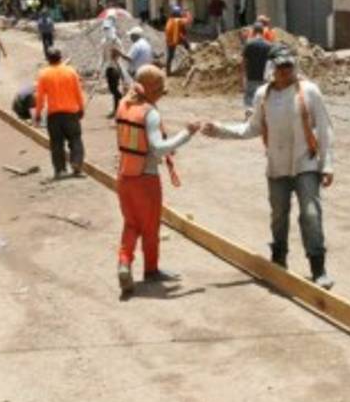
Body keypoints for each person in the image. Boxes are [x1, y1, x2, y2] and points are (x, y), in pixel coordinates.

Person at [202, 45, 335, 289]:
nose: (285, 72)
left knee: (311, 215)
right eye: (280, 68)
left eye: (288, 67)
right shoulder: (263, 95)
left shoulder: (310, 92)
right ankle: (278, 261)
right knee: (278, 216)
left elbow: (325, 130)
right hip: (277, 166)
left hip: (305, 162)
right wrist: (219, 129)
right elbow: (251, 128)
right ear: (271, 69)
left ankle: (318, 268)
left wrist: (327, 165)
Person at [114, 64, 200, 297]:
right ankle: (151, 270)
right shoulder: (149, 113)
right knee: (150, 228)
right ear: (151, 89)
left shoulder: (123, 104)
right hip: (146, 180)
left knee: (131, 224)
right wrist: (186, 134)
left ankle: (124, 262)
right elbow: (159, 148)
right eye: (160, 90)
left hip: (124, 177)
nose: (162, 95)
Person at [33, 47, 87, 178]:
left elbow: (40, 97)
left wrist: (38, 113)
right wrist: (81, 108)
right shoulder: (71, 72)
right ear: (61, 57)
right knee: (75, 140)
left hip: (54, 115)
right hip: (71, 113)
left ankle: (60, 170)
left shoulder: (44, 74)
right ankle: (76, 165)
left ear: (48, 59)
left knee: (57, 144)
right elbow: (78, 92)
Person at [99, 16, 129, 118]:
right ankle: (118, 107)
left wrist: (116, 53)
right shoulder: (103, 42)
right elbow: (102, 56)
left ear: (112, 29)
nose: (106, 31)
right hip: (108, 67)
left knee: (115, 89)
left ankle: (118, 108)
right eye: (105, 29)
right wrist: (99, 68)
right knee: (112, 89)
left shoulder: (117, 41)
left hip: (116, 67)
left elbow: (122, 54)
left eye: (108, 29)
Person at [241, 22, 272, 113]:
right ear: (263, 32)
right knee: (264, 98)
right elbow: (272, 62)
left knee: (250, 98)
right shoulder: (269, 45)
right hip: (264, 77)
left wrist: (243, 76)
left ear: (253, 32)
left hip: (251, 76)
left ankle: (249, 114)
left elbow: (243, 62)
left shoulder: (249, 44)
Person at [164, 6, 189, 76]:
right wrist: (187, 13)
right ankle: (191, 55)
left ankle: (168, 71)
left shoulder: (170, 20)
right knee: (186, 44)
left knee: (170, 56)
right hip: (173, 40)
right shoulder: (177, 20)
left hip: (170, 40)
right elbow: (187, 21)